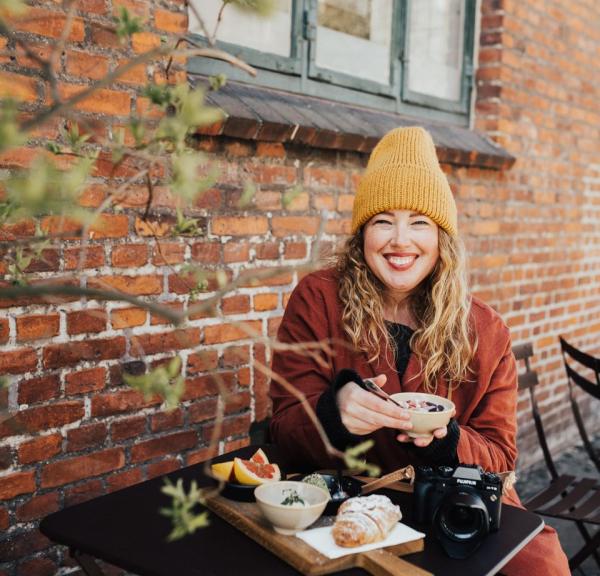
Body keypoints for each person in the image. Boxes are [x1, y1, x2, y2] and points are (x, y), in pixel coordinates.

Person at [269, 127, 569, 575]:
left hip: (457, 501)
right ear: (362, 234)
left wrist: (447, 440)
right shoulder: (318, 299)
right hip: (352, 502)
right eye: (383, 220)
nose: (400, 241)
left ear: (441, 237)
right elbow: (282, 434)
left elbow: (501, 458)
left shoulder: (485, 330)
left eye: (419, 222)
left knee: (541, 565)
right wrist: (333, 413)